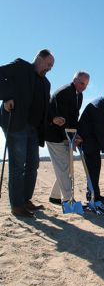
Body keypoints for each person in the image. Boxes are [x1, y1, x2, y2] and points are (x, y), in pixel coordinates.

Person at [0, 49, 54, 217]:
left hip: (34, 129)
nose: (50, 68)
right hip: (16, 123)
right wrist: (6, 97)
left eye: (52, 66)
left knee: (33, 165)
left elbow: (46, 107)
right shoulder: (21, 66)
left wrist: (52, 120)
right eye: (48, 64)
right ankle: (17, 205)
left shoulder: (46, 83)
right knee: (17, 165)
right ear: (39, 58)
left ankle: (25, 200)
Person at [45, 71, 90, 205]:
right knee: (64, 167)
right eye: (81, 83)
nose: (83, 87)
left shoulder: (79, 95)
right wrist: (69, 138)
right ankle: (67, 200)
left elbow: (73, 118)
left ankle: (55, 196)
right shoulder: (64, 92)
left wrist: (76, 135)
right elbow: (63, 119)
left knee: (66, 167)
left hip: (65, 135)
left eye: (86, 85)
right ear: (74, 80)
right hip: (54, 135)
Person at [78, 90, 104, 203]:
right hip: (87, 140)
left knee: (96, 167)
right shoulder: (98, 107)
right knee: (92, 168)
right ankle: (92, 196)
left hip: (95, 140)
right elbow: (99, 132)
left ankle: (95, 195)